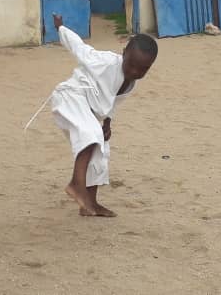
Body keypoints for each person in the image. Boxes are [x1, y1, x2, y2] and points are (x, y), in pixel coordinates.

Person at [51, 14, 157, 217]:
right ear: (124, 53)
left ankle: (90, 203)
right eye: (131, 64)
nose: (134, 71)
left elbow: (113, 101)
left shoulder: (131, 81)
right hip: (70, 97)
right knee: (90, 134)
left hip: (87, 109)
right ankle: (75, 184)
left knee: (100, 151)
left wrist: (107, 122)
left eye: (142, 69)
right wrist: (61, 28)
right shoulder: (105, 61)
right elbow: (79, 48)